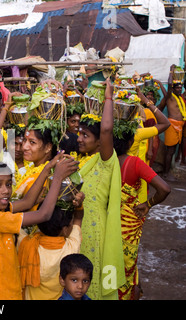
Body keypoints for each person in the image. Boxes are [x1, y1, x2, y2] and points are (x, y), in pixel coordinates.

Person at [0, 158, 80, 300]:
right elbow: (44, 214)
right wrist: (57, 177)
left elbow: (28, 202)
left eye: (9, 184)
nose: (5, 191)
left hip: (3, 292)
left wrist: (47, 169)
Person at [76, 78, 125, 300]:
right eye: (79, 133)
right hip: (77, 230)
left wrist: (108, 97)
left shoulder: (105, 162)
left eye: (85, 135)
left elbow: (106, 129)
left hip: (95, 232)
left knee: (92, 284)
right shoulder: (81, 161)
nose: (79, 139)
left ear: (100, 143)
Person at [113, 125, 171, 300]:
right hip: (129, 223)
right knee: (127, 264)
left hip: (107, 221)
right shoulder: (134, 163)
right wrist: (149, 203)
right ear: (131, 142)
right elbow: (165, 189)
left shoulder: (100, 161)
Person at [19, 199, 84, 300]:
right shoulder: (71, 248)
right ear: (65, 229)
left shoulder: (26, 244)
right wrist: (79, 205)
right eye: (70, 223)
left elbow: (12, 222)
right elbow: (78, 219)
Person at [158, 64, 186, 181]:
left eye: (180, 88)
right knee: (170, 151)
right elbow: (169, 85)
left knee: (173, 150)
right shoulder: (171, 97)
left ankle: (167, 171)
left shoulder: (180, 98)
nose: (179, 89)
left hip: (179, 126)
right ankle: (165, 174)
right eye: (177, 88)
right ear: (173, 89)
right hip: (172, 125)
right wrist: (171, 71)